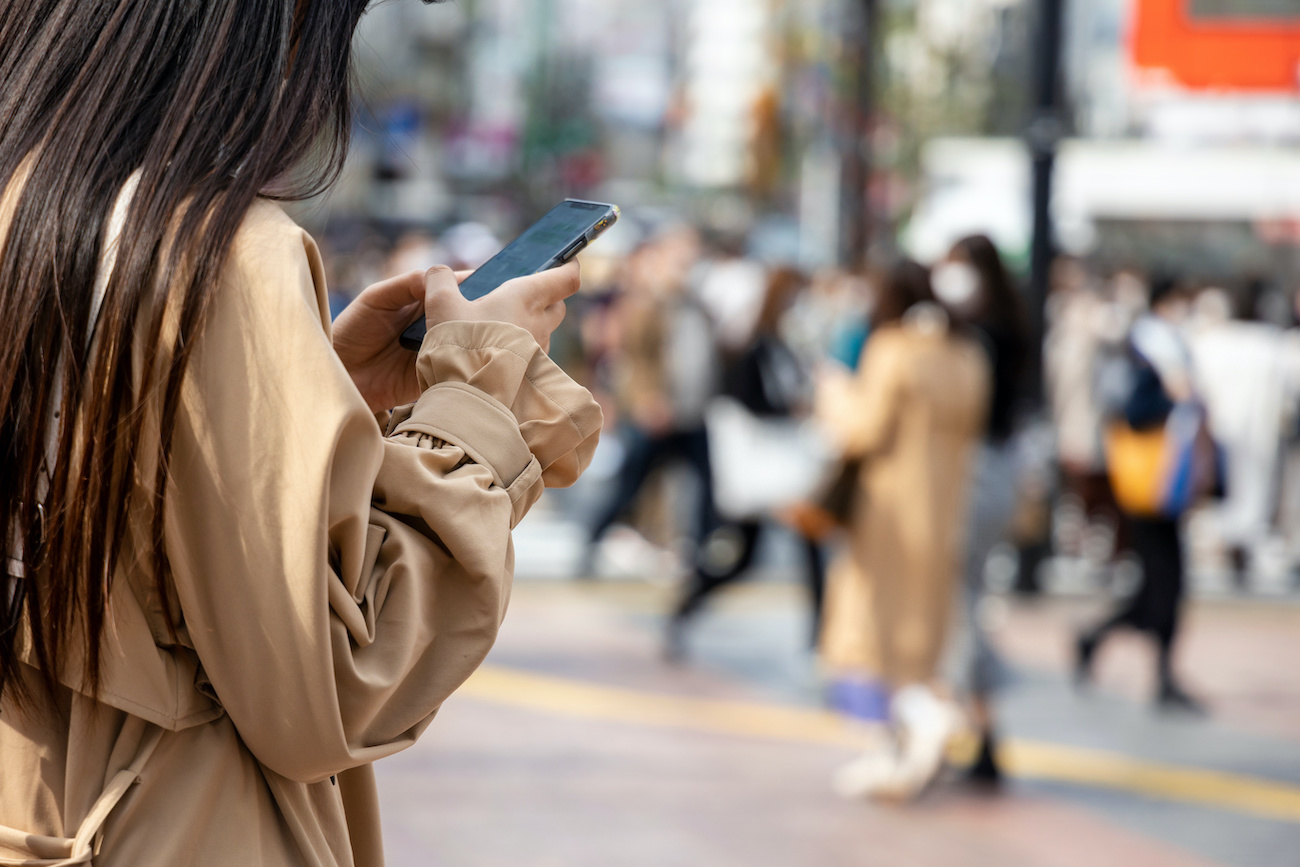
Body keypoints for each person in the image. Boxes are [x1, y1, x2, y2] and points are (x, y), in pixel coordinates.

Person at [0, 4, 602, 866]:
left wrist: (315, 392)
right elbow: (332, 685)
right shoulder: (215, 253)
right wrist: (480, 393)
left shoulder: (31, 209)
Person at [818, 260, 991, 800]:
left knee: (873, 633)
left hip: (887, 508)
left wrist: (833, 394)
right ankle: (897, 750)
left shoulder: (892, 350)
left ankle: (921, 722)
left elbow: (863, 428)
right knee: (923, 634)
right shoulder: (967, 354)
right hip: (944, 506)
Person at [667, 267, 827, 657]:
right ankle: (687, 606)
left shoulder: (785, 345)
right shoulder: (752, 345)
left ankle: (821, 641)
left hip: (785, 470)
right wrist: (790, 410)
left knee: (811, 551)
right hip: (766, 466)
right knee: (743, 557)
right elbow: (742, 397)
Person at [1076, 276, 1203, 712]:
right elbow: (1132, 411)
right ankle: (1159, 674)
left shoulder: (1150, 344)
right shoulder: (1150, 347)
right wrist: (1173, 401)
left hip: (1162, 476)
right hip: (1151, 476)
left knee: (1160, 581)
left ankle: (1100, 640)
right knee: (1165, 579)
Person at [931, 234, 1029, 785]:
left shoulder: (977, 337)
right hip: (1001, 471)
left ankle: (968, 727)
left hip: (973, 472)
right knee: (967, 598)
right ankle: (976, 727)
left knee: (960, 602)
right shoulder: (1012, 326)